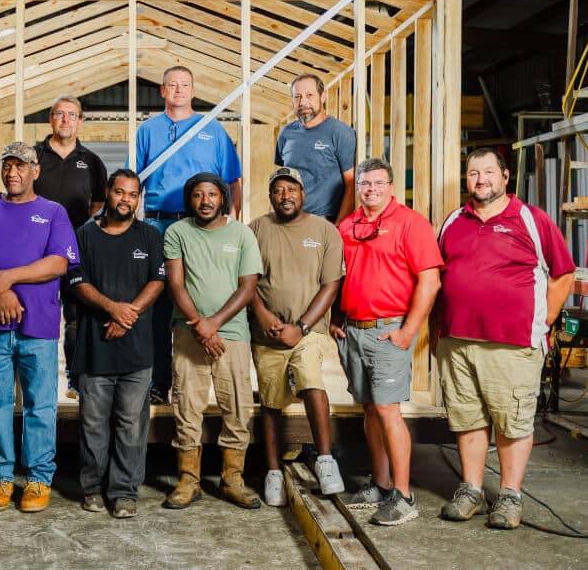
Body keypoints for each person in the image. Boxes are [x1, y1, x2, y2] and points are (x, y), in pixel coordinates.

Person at [432, 148, 575, 529]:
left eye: (488, 172)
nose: (481, 179)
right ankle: (471, 490)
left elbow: (563, 275)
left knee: (511, 421)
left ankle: (510, 496)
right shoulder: (453, 221)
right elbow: (439, 280)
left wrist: (542, 321)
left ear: (505, 176)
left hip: (511, 344)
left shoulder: (531, 219)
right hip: (458, 341)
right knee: (467, 419)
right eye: (473, 172)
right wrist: (436, 334)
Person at [0, 141, 78, 513]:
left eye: (21, 166)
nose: (12, 173)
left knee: (40, 405)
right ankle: (0, 476)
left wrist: (7, 278)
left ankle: (39, 478)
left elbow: (58, 263)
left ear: (35, 171)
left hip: (37, 326)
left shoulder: (53, 212)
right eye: (7, 166)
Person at [332, 157, 442, 526]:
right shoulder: (348, 226)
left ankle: (403, 495)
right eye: (365, 183)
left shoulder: (411, 224)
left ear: (392, 187)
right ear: (358, 186)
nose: (372, 189)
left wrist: (409, 331)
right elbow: (339, 278)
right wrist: (336, 318)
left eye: (379, 183)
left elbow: (430, 281)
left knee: (388, 411)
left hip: (388, 330)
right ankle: (379, 485)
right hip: (353, 330)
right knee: (369, 409)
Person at [135, 66, 243, 405]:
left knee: (197, 300)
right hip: (156, 225)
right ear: (162, 92)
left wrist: (232, 217)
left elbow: (233, 179)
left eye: (184, 85)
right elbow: (134, 180)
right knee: (157, 304)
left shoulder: (212, 129)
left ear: (193, 90)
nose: (178, 90)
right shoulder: (147, 130)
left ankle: (200, 384)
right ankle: (157, 383)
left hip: (200, 228)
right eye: (172, 85)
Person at [69, 169, 165, 519]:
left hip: (137, 349)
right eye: (120, 192)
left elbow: (158, 280)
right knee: (93, 423)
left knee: (130, 423)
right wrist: (112, 309)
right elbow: (77, 281)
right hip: (94, 347)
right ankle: (92, 488)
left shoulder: (150, 236)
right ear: (107, 193)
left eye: (133, 194)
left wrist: (129, 315)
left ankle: (124, 491)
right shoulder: (84, 235)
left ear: (139, 199)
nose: (126, 199)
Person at [162, 172, 262, 511]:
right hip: (188, 332)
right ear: (190, 199)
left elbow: (248, 286)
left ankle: (233, 478)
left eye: (212, 194)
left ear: (223, 198)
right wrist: (199, 327)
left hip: (232, 334)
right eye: (198, 195)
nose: (205, 201)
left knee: (237, 405)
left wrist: (214, 324)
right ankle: (188, 479)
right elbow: (176, 284)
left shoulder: (242, 233)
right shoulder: (177, 232)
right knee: (187, 404)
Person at [249, 167, 345, 505]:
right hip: (267, 331)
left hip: (309, 332)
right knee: (272, 399)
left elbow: (330, 285)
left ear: (303, 194)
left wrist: (301, 326)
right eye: (278, 190)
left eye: (292, 189)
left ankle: (325, 459)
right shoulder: (257, 229)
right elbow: (247, 280)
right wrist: (262, 316)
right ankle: (273, 471)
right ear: (271, 196)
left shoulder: (325, 231)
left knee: (310, 377)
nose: (285, 195)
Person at [34, 94, 107, 399]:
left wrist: (78, 233)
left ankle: (74, 379)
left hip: (74, 252)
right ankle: (38, 381)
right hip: (36, 251)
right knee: (37, 316)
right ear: (50, 118)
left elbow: (100, 203)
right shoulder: (32, 156)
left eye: (72, 115)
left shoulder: (90, 161)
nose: (66, 119)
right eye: (60, 114)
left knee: (76, 317)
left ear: (80, 121)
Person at [274, 73, 356, 224]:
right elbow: (280, 181)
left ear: (323, 96)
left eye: (309, 95)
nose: (303, 101)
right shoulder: (286, 133)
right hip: (288, 221)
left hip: (325, 221)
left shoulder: (340, 133)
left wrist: (339, 226)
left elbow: (351, 183)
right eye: (297, 96)